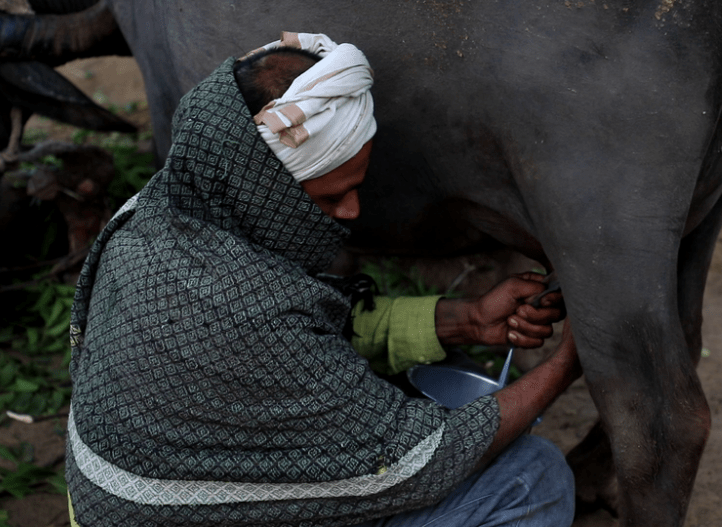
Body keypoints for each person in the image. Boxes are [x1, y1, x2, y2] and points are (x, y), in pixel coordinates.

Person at [65, 32, 581, 527]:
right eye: (331, 198)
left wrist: (467, 320)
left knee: (440, 365)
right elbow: (414, 463)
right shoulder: (245, 309)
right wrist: (566, 366)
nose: (351, 212)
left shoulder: (154, 218)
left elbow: (313, 324)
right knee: (530, 476)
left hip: (137, 495)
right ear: (262, 191)